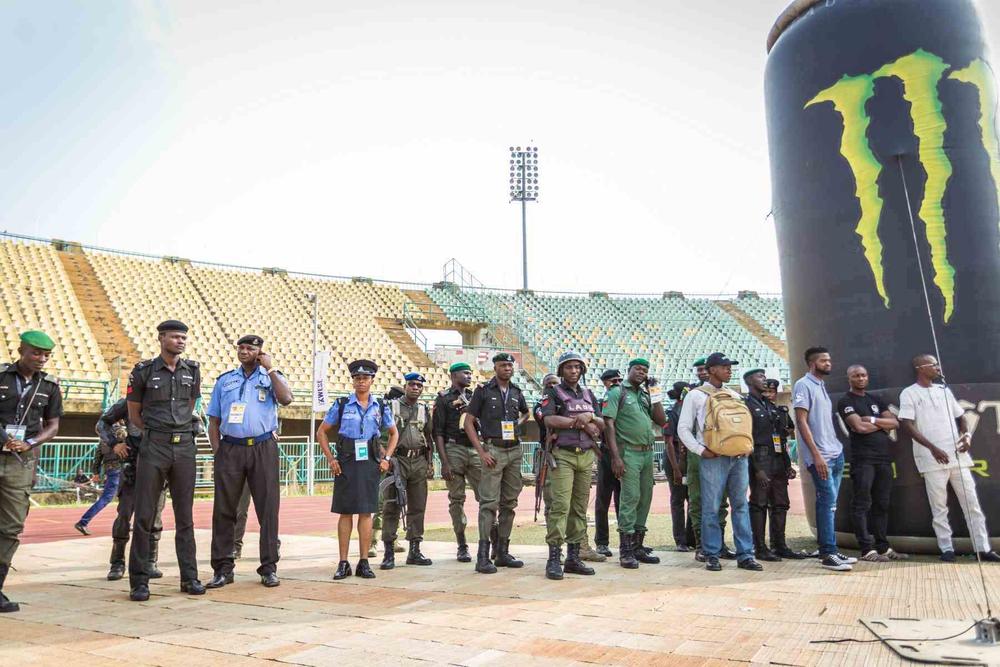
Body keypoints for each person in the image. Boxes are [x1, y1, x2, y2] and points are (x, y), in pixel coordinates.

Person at [205, 335, 292, 589]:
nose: (244, 351)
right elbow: (213, 420)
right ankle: (223, 568)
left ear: (260, 352)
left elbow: (286, 399)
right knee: (224, 510)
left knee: (268, 510)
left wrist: (271, 368)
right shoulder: (225, 380)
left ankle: (268, 568)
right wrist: (217, 452)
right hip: (231, 448)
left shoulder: (271, 376)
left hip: (263, 447)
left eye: (250, 348)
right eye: (241, 348)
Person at [126, 320, 204, 601]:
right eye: (175, 337)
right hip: (154, 446)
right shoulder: (143, 371)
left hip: (184, 447)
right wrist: (154, 435)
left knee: (185, 517)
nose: (181, 341)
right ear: (161, 339)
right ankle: (139, 581)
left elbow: (190, 405)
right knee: (145, 515)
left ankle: (190, 577)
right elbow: (134, 414)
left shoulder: (192, 370)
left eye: (183, 337)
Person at [899, 354, 1000, 563]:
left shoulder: (943, 390)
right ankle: (946, 548)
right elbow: (906, 424)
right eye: (933, 364)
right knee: (939, 507)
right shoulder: (909, 393)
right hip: (931, 459)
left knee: (972, 503)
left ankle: (982, 548)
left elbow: (961, 417)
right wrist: (932, 448)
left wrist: (967, 435)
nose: (938, 368)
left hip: (958, 456)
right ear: (920, 368)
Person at [678, 353, 761, 573]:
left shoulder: (733, 394)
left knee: (740, 505)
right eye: (724, 366)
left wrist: (745, 446)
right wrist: (700, 450)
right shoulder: (695, 395)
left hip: (738, 457)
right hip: (712, 457)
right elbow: (683, 428)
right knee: (711, 508)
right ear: (711, 369)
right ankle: (712, 554)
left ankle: (746, 554)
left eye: (730, 366)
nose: (729, 369)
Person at [0, 330, 63, 613]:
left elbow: (53, 425)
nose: (41, 359)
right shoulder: (1, 376)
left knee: (12, 526)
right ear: (21, 350)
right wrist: (5, 438)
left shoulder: (49, 386)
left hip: (21, 461)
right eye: (36, 353)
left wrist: (29, 443)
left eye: (46, 355)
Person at [318, 360, 398, 580]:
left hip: (370, 461)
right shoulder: (342, 404)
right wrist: (331, 459)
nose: (361, 381)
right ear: (353, 380)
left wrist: (387, 458)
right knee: (345, 512)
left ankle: (363, 562)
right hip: (345, 460)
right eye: (357, 378)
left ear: (372, 380)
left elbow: (393, 433)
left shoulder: (380, 406)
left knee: (366, 511)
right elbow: (322, 432)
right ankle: (343, 562)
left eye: (365, 378)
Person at [539, 352, 604, 580]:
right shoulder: (553, 392)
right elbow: (549, 420)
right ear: (561, 371)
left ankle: (574, 557)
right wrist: (581, 422)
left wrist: (590, 417)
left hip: (586, 456)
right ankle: (554, 558)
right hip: (563, 455)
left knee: (579, 508)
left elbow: (602, 423)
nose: (574, 371)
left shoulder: (588, 394)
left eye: (577, 367)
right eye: (569, 367)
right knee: (560, 506)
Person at [836, 365, 908, 563]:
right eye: (856, 376)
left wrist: (872, 420)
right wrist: (879, 425)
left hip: (883, 459)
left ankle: (883, 548)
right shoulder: (846, 401)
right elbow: (858, 426)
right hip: (863, 460)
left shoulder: (875, 399)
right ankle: (867, 549)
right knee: (862, 503)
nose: (860, 378)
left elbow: (895, 423)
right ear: (849, 378)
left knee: (882, 504)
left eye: (863, 375)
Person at [792, 346, 856, 572]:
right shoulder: (803, 385)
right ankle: (828, 553)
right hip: (820, 457)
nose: (829, 364)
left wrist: (835, 450)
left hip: (834, 454)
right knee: (827, 503)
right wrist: (816, 456)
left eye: (829, 360)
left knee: (829, 505)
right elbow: (801, 422)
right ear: (812, 363)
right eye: (824, 361)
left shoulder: (821, 386)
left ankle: (828, 547)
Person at [465, 352, 529, 574]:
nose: (507, 369)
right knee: (488, 504)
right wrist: (481, 451)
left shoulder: (516, 391)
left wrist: (517, 423)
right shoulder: (483, 391)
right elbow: (468, 422)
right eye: (503, 365)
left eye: (510, 366)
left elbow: (526, 412)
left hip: (514, 451)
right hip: (493, 450)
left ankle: (502, 552)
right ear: (495, 368)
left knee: (509, 503)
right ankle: (483, 556)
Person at [602, 358, 667, 569]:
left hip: (647, 453)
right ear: (628, 371)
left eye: (645, 370)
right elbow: (608, 424)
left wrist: (655, 392)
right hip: (628, 452)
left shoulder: (645, 394)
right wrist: (616, 457)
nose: (642, 372)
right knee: (630, 498)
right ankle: (626, 551)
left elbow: (661, 419)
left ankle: (638, 546)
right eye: (638, 369)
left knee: (645, 498)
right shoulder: (616, 392)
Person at [97, 398, 168, 582]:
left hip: (159, 461)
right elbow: (102, 423)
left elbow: (194, 423)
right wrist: (114, 443)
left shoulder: (170, 397)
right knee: (124, 515)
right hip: (133, 463)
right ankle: (117, 562)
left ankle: (150, 561)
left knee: (155, 516)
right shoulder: (129, 402)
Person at [743, 369, 803, 561]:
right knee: (759, 504)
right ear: (749, 381)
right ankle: (760, 547)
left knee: (781, 504)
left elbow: (780, 438)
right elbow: (747, 439)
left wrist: (787, 463)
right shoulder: (747, 406)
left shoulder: (770, 407)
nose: (764, 379)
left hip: (777, 459)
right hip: (760, 459)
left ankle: (780, 546)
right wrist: (757, 469)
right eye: (759, 377)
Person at [380, 372, 434, 570]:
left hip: (418, 460)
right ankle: (388, 551)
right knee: (392, 506)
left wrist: (430, 462)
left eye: (419, 386)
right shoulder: (391, 407)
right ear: (405, 386)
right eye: (412, 384)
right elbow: (378, 436)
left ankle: (414, 549)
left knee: (418, 506)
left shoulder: (423, 409)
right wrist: (386, 457)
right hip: (397, 461)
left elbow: (429, 437)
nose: (415, 388)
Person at [433, 362, 481, 562]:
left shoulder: (476, 397)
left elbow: (483, 425)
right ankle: (462, 545)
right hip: (454, 449)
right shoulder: (443, 399)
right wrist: (444, 462)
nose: (469, 376)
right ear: (454, 375)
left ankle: (491, 543)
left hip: (475, 448)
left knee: (487, 496)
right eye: (465, 373)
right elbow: (438, 433)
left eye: (471, 373)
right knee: (456, 499)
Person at [593, 369, 622, 557]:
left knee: (624, 501)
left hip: (625, 453)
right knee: (603, 500)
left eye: (619, 380)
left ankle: (628, 541)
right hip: (606, 454)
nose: (617, 383)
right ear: (605, 383)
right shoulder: (600, 403)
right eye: (613, 380)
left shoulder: (627, 400)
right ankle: (602, 542)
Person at [663, 381, 695, 552]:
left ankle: (691, 538)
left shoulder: (689, 410)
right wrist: (676, 468)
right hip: (675, 460)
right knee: (678, 500)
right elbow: (668, 442)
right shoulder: (673, 412)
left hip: (689, 459)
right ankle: (680, 540)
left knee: (692, 499)